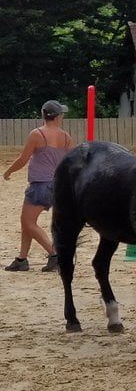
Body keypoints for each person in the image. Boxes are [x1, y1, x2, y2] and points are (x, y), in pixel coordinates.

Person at [2, 100, 73, 272]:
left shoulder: (37, 134)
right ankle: (22, 259)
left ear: (44, 115)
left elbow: (23, 159)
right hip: (56, 185)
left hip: (40, 184)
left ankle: (55, 254)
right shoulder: (66, 137)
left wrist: (8, 172)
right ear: (57, 116)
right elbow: (70, 163)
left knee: (28, 223)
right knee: (26, 222)